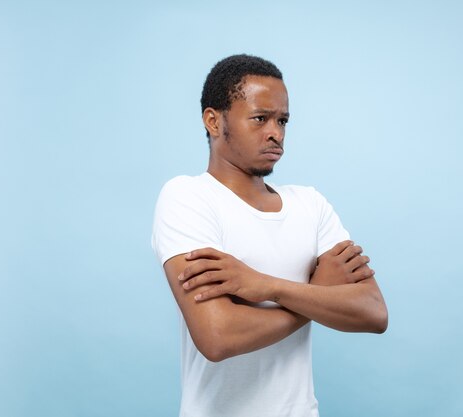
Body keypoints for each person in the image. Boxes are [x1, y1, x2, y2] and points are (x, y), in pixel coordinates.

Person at [151, 54, 388, 417]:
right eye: (260, 118)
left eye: (283, 120)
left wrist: (267, 287)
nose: (275, 132)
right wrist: (317, 297)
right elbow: (217, 336)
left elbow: (373, 313)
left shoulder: (310, 203)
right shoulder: (188, 197)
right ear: (213, 121)